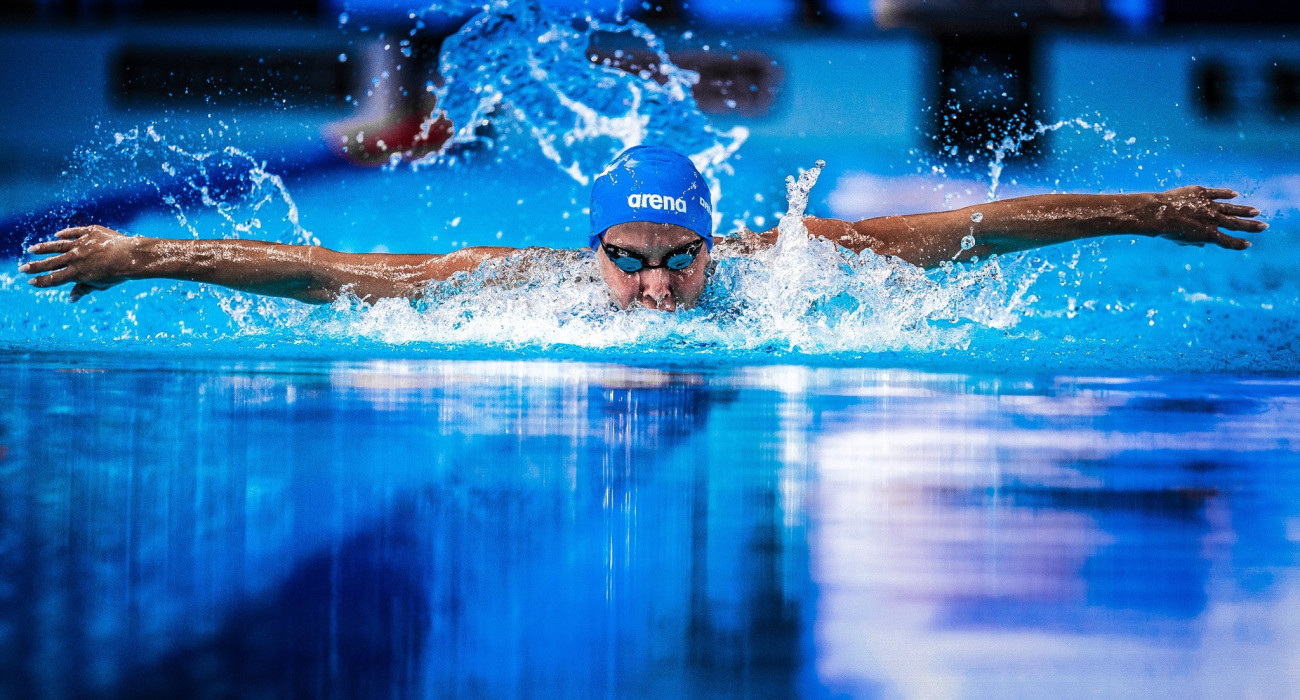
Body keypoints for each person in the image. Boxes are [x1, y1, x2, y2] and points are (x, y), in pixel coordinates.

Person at [18, 145, 1267, 312]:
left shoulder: (796, 267)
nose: (659, 289)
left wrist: (1143, 212)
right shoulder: (517, 282)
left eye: (680, 259)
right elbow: (331, 267)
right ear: (592, 248)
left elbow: (982, 225)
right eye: (632, 261)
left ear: (716, 246)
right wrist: (140, 253)